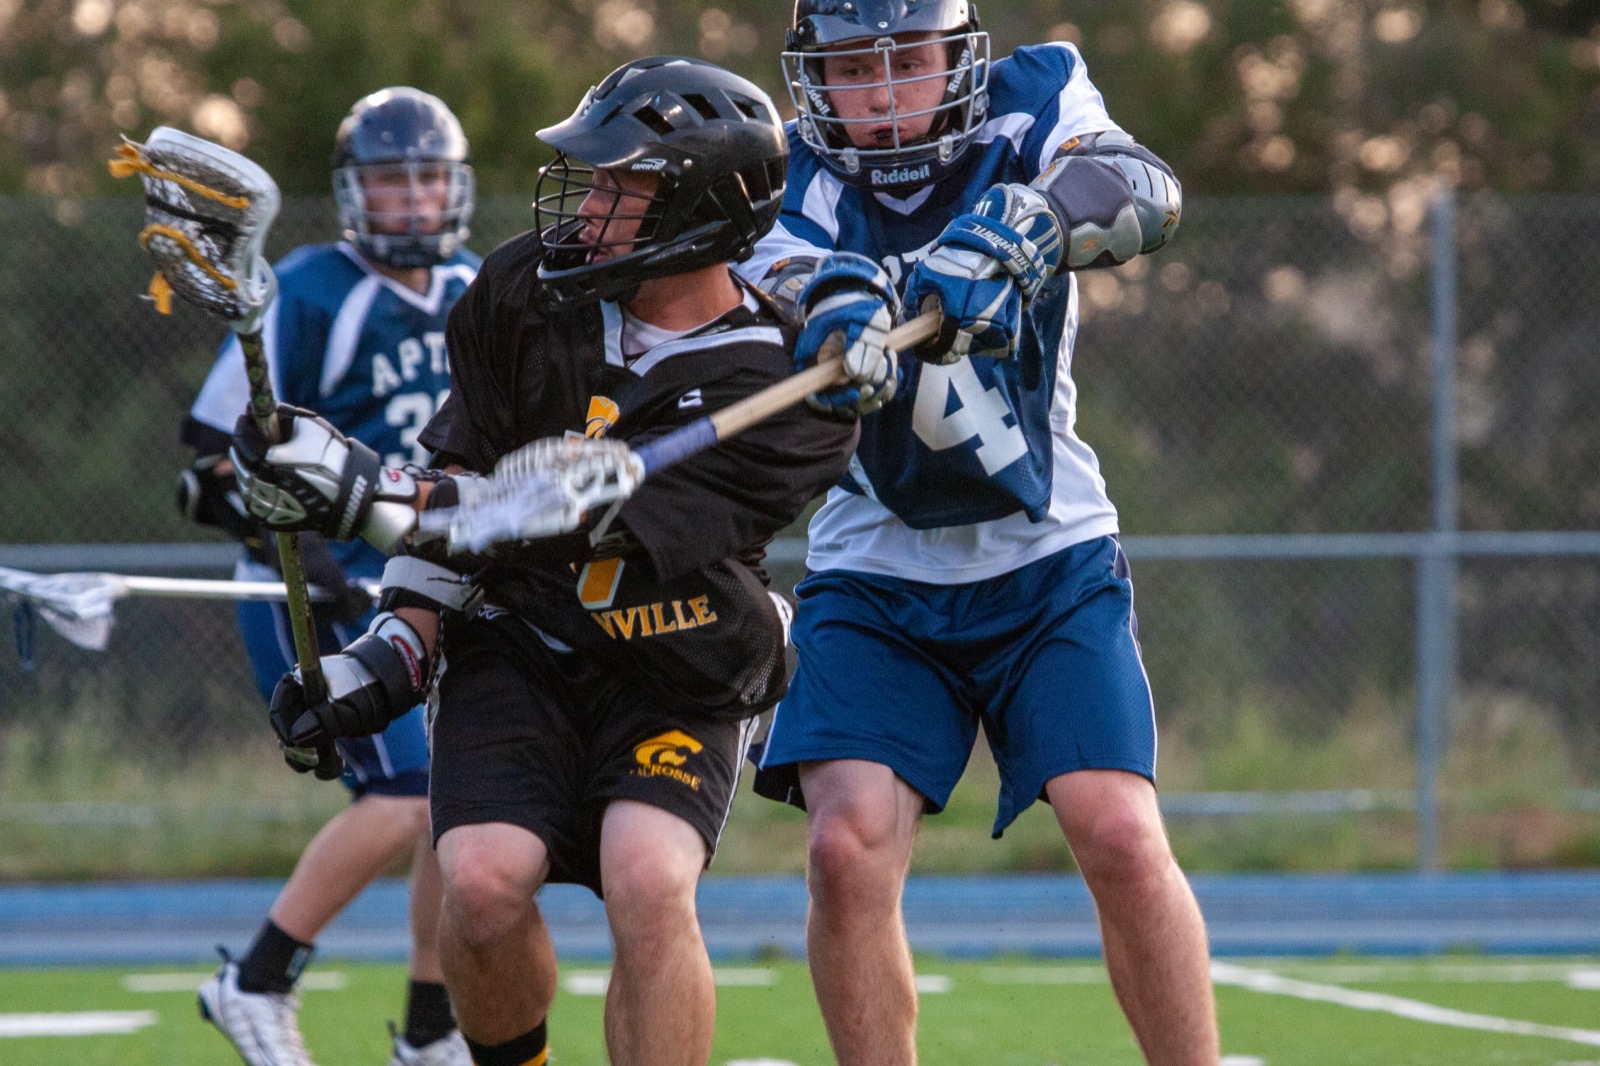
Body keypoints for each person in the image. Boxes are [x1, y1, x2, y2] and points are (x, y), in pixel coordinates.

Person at [225, 57, 859, 1066]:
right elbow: (466, 470)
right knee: (478, 881)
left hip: (678, 663)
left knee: (648, 881)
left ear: (699, 208)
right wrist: (397, 647)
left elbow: (539, 521)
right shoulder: (522, 287)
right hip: (514, 641)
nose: (591, 201)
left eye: (623, 183)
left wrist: (370, 499)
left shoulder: (785, 387)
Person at [737, 3, 1221, 1063]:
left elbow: (1143, 185)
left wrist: (1029, 225)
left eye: (906, 60)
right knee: (846, 849)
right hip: (874, 565)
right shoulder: (788, 176)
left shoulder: (1034, 97)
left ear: (956, 59)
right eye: (852, 69)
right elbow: (772, 276)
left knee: (1122, 836)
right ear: (813, 79)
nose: (881, 92)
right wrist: (831, 303)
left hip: (1046, 556)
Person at [179, 86, 479, 1066]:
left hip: (434, 590)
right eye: (392, 183)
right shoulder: (308, 290)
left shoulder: (481, 288)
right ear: (356, 194)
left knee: (454, 805)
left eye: (428, 180)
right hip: (318, 591)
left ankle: (431, 1032)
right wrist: (298, 548)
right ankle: (254, 980)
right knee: (404, 799)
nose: (412, 202)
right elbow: (205, 466)